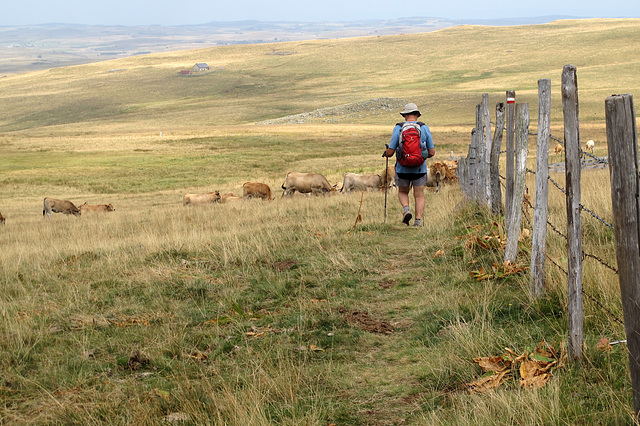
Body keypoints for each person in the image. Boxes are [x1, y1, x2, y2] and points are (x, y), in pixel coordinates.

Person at [382, 103, 435, 227]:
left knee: (403, 192)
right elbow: (432, 152)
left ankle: (406, 209)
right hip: (420, 168)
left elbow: (391, 151)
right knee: (419, 194)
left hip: (402, 168)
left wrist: (386, 153)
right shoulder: (424, 128)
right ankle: (418, 221)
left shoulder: (398, 128)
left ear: (404, 115)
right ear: (417, 114)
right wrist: (421, 156)